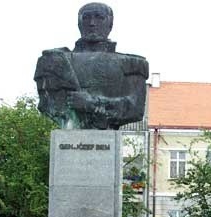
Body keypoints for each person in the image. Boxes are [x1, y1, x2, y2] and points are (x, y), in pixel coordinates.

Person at [34, 2, 148, 130]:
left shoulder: (133, 64)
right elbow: (49, 105)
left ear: (110, 24)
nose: (92, 23)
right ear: (79, 24)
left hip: (106, 137)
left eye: (99, 17)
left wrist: (91, 103)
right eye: (86, 17)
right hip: (68, 135)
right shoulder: (53, 62)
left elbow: (135, 109)